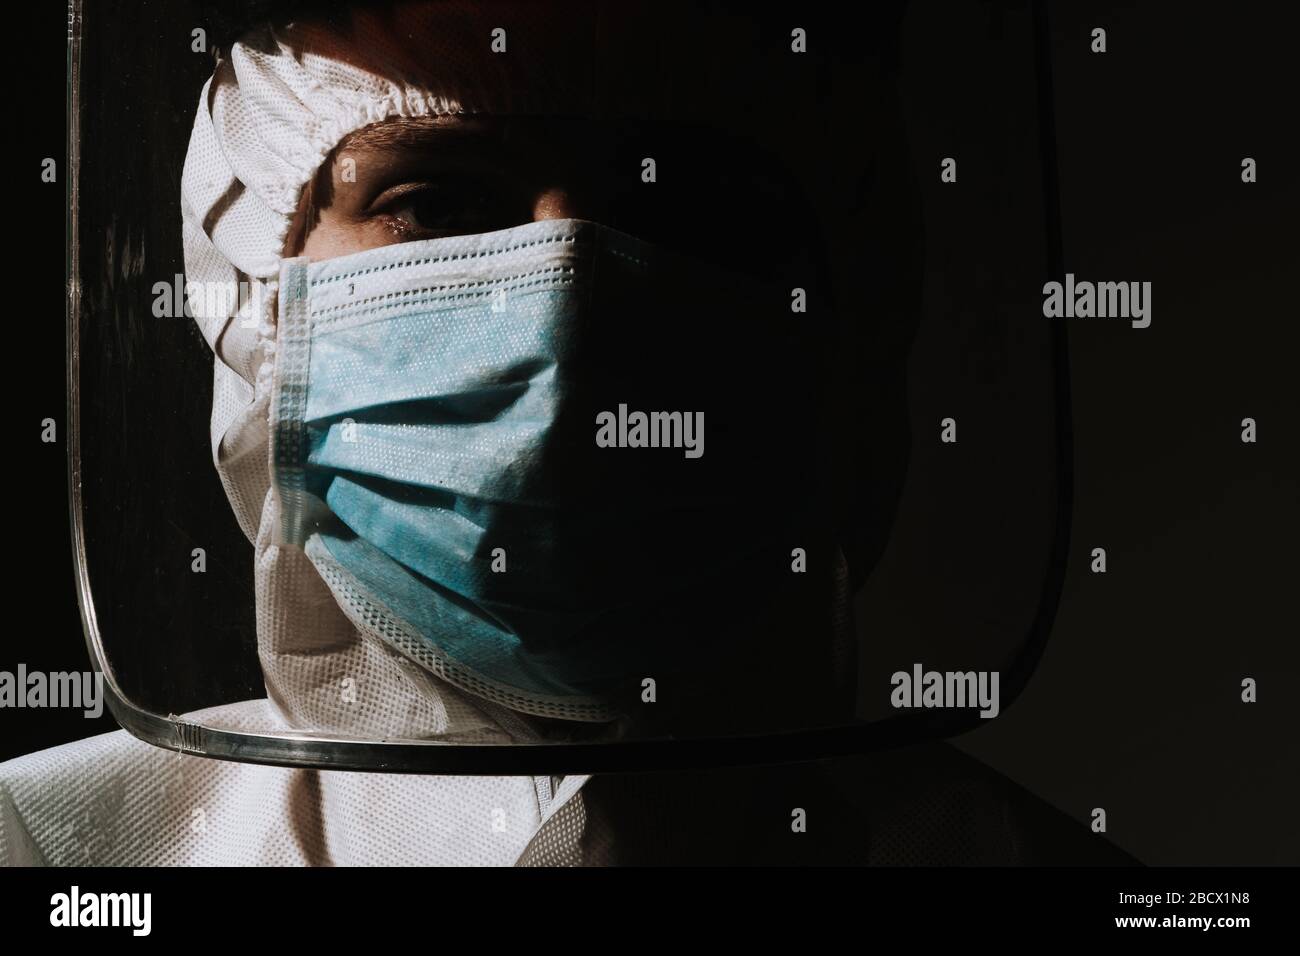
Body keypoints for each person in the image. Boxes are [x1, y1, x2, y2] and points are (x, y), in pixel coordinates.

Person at [1, 0, 1137, 866]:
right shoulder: (55, 846)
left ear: (848, 319)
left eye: (689, 206)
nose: (569, 308)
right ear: (256, 295)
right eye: (437, 202)